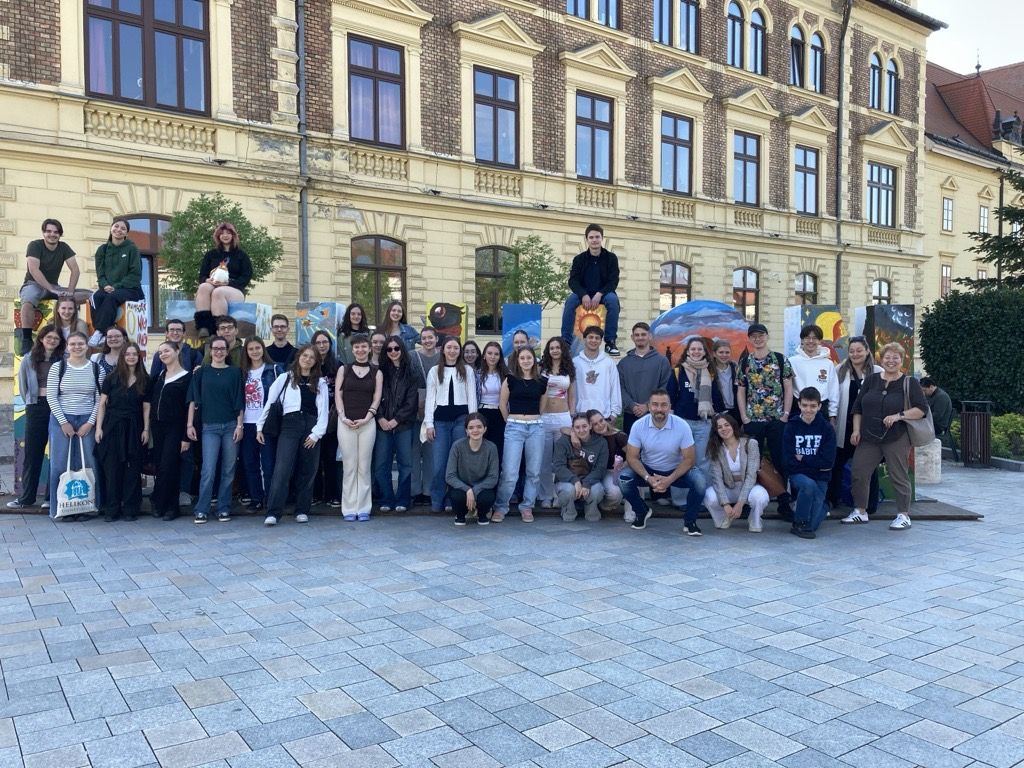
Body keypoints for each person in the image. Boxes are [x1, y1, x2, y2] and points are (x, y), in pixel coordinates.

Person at [845, 342, 928, 530]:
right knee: (859, 472)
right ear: (881, 360)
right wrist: (856, 430)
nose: (891, 361)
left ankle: (903, 515)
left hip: (896, 436)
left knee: (898, 475)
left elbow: (921, 409)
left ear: (902, 360)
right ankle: (860, 511)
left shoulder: (910, 383)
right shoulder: (871, 380)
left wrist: (899, 416)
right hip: (869, 436)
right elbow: (858, 407)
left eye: (895, 357)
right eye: (887, 357)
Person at [620, 389, 707, 536]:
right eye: (655, 404)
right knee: (624, 479)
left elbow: (689, 459)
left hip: (676, 470)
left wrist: (669, 480)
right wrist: (648, 478)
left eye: (663, 405)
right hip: (648, 469)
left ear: (669, 407)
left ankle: (690, 521)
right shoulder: (638, 426)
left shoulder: (682, 425)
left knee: (700, 482)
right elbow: (632, 457)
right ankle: (641, 512)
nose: (659, 409)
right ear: (649, 406)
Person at [259, 344, 329, 526]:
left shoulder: (320, 383)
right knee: (282, 469)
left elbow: (323, 411)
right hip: (289, 425)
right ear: (298, 357)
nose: (307, 360)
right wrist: (260, 426)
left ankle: (302, 509)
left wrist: (316, 434)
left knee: (308, 469)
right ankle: (273, 512)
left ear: (316, 361)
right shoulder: (285, 378)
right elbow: (270, 402)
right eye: (305, 356)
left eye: (311, 357)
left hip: (311, 426)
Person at [736, 323, 794, 519]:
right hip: (754, 419)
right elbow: (741, 390)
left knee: (780, 460)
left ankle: (784, 502)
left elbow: (788, 387)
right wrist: (744, 416)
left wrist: (785, 414)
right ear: (749, 339)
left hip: (777, 419)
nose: (758, 339)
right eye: (754, 336)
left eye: (761, 335)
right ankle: (748, 502)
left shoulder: (780, 359)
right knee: (751, 463)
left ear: (767, 337)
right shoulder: (745, 361)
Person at [46, 331, 104, 520]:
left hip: (87, 419)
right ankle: (60, 509)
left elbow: (99, 400)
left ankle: (88, 507)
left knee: (89, 463)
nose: (77, 347)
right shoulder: (58, 368)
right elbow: (51, 397)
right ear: (67, 347)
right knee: (59, 464)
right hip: (61, 420)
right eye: (73, 344)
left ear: (87, 346)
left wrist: (90, 422)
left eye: (81, 344)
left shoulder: (96, 369)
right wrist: (63, 422)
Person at [187, 336, 244, 524]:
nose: (219, 352)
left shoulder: (235, 372)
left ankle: (223, 507)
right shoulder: (201, 372)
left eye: (222, 349)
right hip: (209, 427)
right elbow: (193, 400)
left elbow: (239, 401)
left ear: (227, 352)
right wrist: (189, 425)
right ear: (210, 351)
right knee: (208, 470)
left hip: (231, 426)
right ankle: (202, 509)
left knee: (228, 469)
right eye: (215, 348)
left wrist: (240, 425)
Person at [7, 326, 64, 510]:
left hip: (58, 407)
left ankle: (50, 497)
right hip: (36, 406)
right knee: (33, 453)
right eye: (49, 337)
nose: (52, 341)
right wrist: (32, 401)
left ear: (60, 341)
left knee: (56, 453)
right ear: (41, 338)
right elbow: (23, 385)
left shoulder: (63, 359)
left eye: (56, 338)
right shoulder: (28, 359)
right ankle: (26, 498)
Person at [95, 342, 149, 522]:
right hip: (112, 427)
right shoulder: (111, 378)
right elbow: (102, 404)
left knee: (133, 470)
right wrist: (99, 428)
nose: (131, 357)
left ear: (138, 357)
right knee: (112, 469)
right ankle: (112, 509)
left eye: (134, 354)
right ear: (123, 357)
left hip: (135, 427)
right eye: (128, 354)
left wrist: (146, 429)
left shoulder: (145, 379)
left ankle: (131, 508)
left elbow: (146, 407)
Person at [18, 219, 90, 354]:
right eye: (49, 231)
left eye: (56, 232)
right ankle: (26, 339)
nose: (52, 234)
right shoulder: (35, 245)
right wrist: (51, 289)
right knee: (28, 301)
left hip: (54, 287)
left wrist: (70, 291)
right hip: (34, 284)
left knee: (90, 295)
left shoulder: (64, 247)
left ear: (60, 234)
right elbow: (34, 270)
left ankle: (94, 334)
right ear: (43, 233)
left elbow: (75, 270)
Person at [493, 347, 547, 523]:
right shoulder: (510, 380)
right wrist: (511, 421)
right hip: (515, 427)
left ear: (534, 360)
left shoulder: (542, 381)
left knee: (533, 471)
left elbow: (542, 407)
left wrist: (533, 419)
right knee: (510, 472)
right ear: (517, 360)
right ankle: (501, 506)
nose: (525, 361)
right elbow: (502, 405)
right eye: (522, 358)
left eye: (529, 357)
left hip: (536, 428)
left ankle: (527, 506)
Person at [424, 338, 477, 513]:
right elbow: (430, 398)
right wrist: (429, 424)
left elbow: (472, 397)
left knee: (458, 462)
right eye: (449, 347)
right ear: (443, 350)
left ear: (459, 351)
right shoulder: (434, 371)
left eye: (456, 348)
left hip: (461, 421)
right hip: (440, 422)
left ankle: (453, 498)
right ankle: (437, 498)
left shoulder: (467, 370)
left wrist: (472, 424)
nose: (452, 351)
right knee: (439, 463)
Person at [830, 336, 882, 511]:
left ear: (867, 351)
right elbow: (833, 395)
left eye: (859, 350)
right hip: (844, 425)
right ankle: (834, 500)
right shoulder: (840, 370)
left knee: (868, 466)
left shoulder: (877, 372)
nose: (855, 354)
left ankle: (869, 504)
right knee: (837, 463)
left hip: (868, 427)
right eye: (851, 351)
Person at [336, 334, 383, 521]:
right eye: (357, 347)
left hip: (367, 423)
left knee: (364, 466)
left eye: (364, 346)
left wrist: (368, 417)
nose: (360, 350)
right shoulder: (344, 370)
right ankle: (348, 508)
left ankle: (363, 508)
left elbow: (377, 398)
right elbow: (338, 395)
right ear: (352, 349)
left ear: (369, 348)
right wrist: (343, 417)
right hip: (345, 423)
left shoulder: (376, 372)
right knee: (349, 466)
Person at [784, 387, 837, 539]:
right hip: (798, 475)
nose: (808, 410)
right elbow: (788, 460)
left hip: (821, 476)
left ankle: (824, 506)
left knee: (812, 526)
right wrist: (814, 463)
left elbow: (828, 462)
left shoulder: (827, 428)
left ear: (819, 406)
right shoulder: (791, 426)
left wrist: (803, 458)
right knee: (808, 485)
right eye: (805, 405)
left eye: (813, 406)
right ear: (799, 404)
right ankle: (799, 524)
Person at [148, 341, 192, 521]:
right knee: (160, 466)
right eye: (160, 352)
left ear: (177, 351)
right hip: (157, 427)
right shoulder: (159, 376)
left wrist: (186, 436)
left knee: (170, 466)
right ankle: (160, 503)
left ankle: (172, 507)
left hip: (176, 427)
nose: (163, 354)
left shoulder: (187, 377)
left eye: (166, 350)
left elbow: (189, 407)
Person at [374, 336, 418, 513]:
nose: (393, 352)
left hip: (403, 425)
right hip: (382, 424)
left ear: (402, 350)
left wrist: (396, 420)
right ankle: (386, 498)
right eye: (389, 349)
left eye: (396, 348)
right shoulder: (379, 372)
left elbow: (411, 402)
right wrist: (380, 418)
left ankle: (403, 499)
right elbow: (374, 397)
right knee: (381, 464)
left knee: (405, 464)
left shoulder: (411, 373)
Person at [561, 223, 621, 356]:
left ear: (602, 238)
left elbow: (613, 281)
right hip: (583, 294)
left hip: (604, 293)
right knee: (570, 302)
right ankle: (565, 342)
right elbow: (573, 281)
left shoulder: (611, 258)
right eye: (591, 237)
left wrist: (600, 293)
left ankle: (610, 342)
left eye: (597, 237)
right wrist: (583, 294)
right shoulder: (579, 259)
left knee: (613, 301)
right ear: (587, 239)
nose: (594, 240)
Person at [667, 336, 723, 476]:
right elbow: (670, 396)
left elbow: (716, 395)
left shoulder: (710, 372)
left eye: (699, 349)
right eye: (693, 349)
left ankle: (702, 489)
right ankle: (681, 489)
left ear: (704, 352)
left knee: (702, 459)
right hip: (682, 421)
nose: (696, 352)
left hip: (704, 423)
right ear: (687, 351)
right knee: (681, 458)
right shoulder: (678, 371)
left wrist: (720, 416)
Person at [703, 413, 769, 532]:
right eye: (719, 427)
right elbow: (717, 478)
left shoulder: (750, 444)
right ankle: (725, 517)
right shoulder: (715, 448)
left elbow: (751, 476)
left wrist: (740, 504)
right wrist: (725, 504)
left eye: (726, 425)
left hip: (749, 486)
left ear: (733, 426)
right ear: (716, 431)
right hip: (728, 487)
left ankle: (754, 519)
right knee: (709, 496)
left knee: (760, 497)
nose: (724, 429)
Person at [87, 220, 143, 347]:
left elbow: (135, 274)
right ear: (111, 229)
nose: (119, 230)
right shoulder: (102, 250)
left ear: (126, 233)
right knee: (95, 297)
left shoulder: (132, 249)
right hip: (108, 288)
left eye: (123, 228)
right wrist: (105, 285)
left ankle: (99, 332)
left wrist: (116, 287)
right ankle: (104, 334)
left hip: (130, 289)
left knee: (112, 297)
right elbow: (100, 274)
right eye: (116, 226)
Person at [193, 222, 252, 337]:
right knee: (203, 287)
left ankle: (217, 329)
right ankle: (203, 327)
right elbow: (202, 276)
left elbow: (246, 277)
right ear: (218, 236)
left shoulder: (242, 255)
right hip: (214, 283)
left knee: (218, 292)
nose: (225, 235)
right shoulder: (210, 254)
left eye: (228, 233)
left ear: (233, 235)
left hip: (234, 289)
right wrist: (207, 280)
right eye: (222, 233)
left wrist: (228, 283)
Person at [239, 337, 278, 512]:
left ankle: (271, 499)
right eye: (251, 349)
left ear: (263, 349)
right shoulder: (242, 372)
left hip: (266, 424)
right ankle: (256, 498)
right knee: (250, 462)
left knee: (268, 464)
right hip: (247, 423)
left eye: (257, 348)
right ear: (246, 352)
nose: (255, 351)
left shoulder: (273, 369)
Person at [538, 337, 577, 508]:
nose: (554, 350)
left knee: (561, 459)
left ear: (562, 350)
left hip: (563, 418)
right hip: (545, 417)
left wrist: (572, 416)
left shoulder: (569, 369)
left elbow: (572, 396)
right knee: (544, 460)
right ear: (548, 350)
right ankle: (546, 495)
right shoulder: (541, 368)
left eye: (557, 347)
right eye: (551, 348)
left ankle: (560, 493)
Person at [446, 413, 500, 526]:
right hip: (462, 487)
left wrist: (474, 490)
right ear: (466, 430)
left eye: (479, 427)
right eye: (471, 427)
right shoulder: (457, 446)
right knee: (457, 496)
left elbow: (493, 477)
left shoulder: (491, 447)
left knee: (487, 497)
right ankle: (460, 515)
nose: (475, 430)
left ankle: (482, 514)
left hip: (482, 487)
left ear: (485, 429)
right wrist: (467, 490)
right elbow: (450, 476)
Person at [618, 322, 671, 437]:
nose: (640, 337)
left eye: (643, 334)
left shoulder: (662, 361)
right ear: (632, 337)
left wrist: (648, 405)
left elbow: (666, 386)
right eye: (637, 335)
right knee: (631, 446)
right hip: (630, 414)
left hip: (655, 413)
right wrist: (632, 405)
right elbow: (620, 388)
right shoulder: (624, 363)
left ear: (650, 336)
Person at [553, 413, 608, 521]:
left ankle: (591, 509)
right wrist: (575, 481)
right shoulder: (563, 441)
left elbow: (600, 469)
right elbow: (558, 467)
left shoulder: (601, 442)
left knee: (597, 490)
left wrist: (587, 483)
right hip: (567, 482)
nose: (581, 430)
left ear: (590, 426)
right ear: (572, 429)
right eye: (577, 427)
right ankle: (568, 509)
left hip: (590, 480)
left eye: (584, 426)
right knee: (568, 491)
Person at [311, 330, 341, 508]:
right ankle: (315, 494)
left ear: (330, 344)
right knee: (314, 458)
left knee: (330, 457)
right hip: (313, 417)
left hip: (332, 418)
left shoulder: (338, 365)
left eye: (325, 342)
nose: (322, 345)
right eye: (318, 342)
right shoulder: (308, 364)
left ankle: (332, 494)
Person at [410, 326, 440, 505]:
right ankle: (415, 490)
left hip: (435, 409)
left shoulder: (442, 356)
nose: (427, 341)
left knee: (431, 451)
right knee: (413, 450)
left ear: (436, 339)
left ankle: (429, 490)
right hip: (414, 408)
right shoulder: (412, 356)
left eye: (430, 337)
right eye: (424, 338)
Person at [789, 324, 839, 421]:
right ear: (802, 340)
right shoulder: (792, 362)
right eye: (807, 338)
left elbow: (833, 390)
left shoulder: (828, 363)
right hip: (798, 408)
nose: (811, 341)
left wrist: (832, 414)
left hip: (821, 409)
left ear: (820, 341)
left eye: (815, 338)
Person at [587, 410, 629, 520]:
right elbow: (565, 429)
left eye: (601, 420)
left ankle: (604, 506)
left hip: (612, 471)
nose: (600, 425)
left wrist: (622, 465)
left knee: (615, 494)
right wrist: (573, 434)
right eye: (595, 424)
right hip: (596, 471)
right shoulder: (590, 437)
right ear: (590, 427)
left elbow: (634, 456)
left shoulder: (619, 436)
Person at [574, 325, 622, 419]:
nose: (594, 340)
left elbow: (615, 388)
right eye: (591, 337)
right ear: (584, 339)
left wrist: (614, 413)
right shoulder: (575, 363)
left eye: (597, 338)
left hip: (604, 415)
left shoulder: (609, 363)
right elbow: (571, 391)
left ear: (601, 341)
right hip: (580, 415)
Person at [476, 341, 508, 459]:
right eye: (489, 353)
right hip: (482, 413)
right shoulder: (477, 374)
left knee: (498, 448)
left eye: (496, 354)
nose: (493, 357)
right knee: (481, 449)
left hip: (500, 414)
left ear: (500, 357)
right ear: (484, 355)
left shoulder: (506, 375)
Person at [921, 377, 954, 450]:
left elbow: (937, 416)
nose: (923, 393)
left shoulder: (941, 396)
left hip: (939, 426)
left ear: (931, 387)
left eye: (924, 390)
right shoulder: (930, 395)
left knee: (914, 428)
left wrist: (921, 419)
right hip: (932, 423)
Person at [712, 340, 740, 422]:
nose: (724, 355)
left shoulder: (736, 368)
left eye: (727, 352)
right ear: (714, 354)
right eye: (721, 352)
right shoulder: (709, 371)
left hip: (736, 410)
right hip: (718, 412)